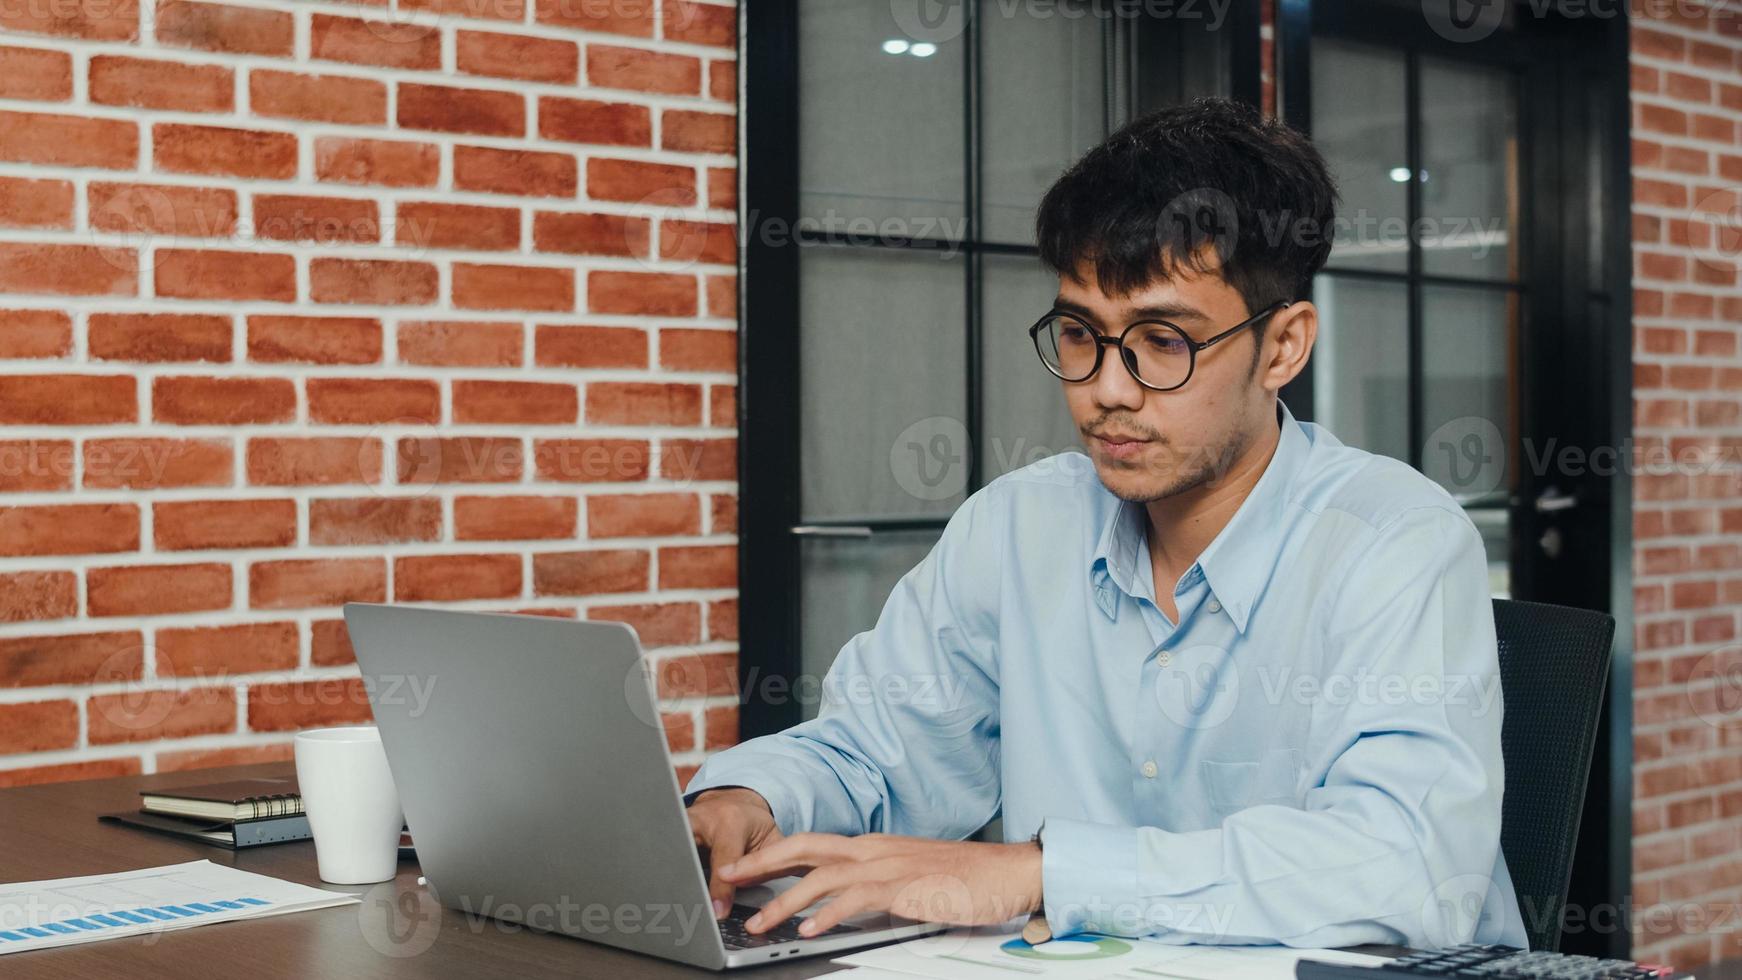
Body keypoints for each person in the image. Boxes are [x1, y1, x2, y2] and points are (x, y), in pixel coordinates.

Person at [683, 96, 1526, 950]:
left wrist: (1039, 873)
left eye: (1164, 341)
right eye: (1082, 332)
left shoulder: (1393, 541)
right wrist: (750, 799)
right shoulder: (1018, 526)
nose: (1107, 389)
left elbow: (1409, 868)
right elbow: (877, 750)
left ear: (1282, 347)